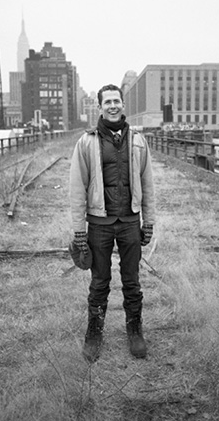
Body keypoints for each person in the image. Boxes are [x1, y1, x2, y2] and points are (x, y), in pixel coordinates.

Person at [69, 84, 155, 362]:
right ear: (100, 107)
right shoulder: (86, 142)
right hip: (100, 224)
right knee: (99, 282)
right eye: (107, 102)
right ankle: (94, 334)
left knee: (132, 281)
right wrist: (79, 231)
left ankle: (135, 332)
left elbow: (148, 184)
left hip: (130, 221)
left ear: (123, 105)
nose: (113, 106)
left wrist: (149, 222)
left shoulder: (139, 141)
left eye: (117, 101)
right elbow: (76, 189)